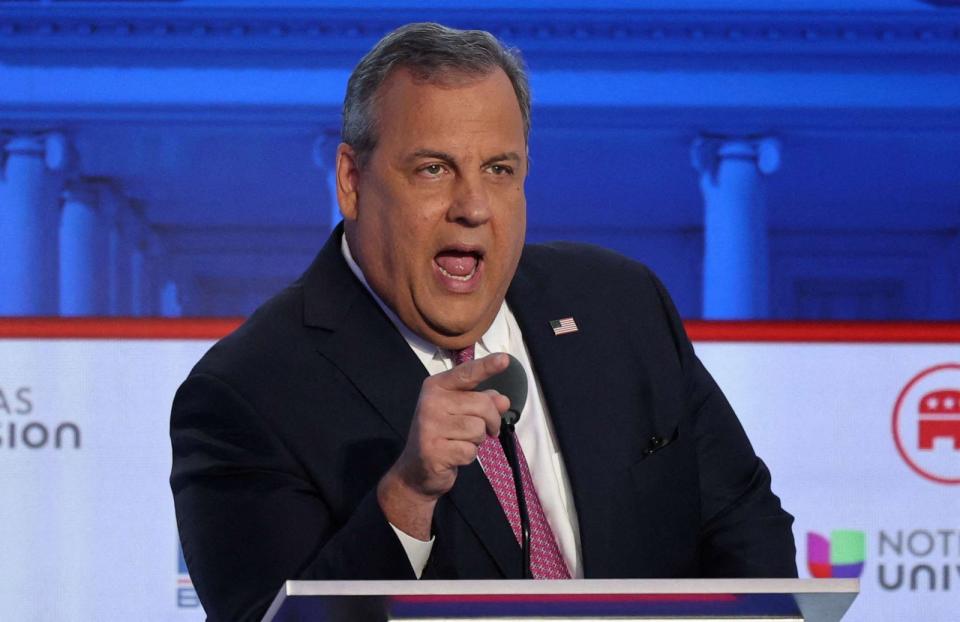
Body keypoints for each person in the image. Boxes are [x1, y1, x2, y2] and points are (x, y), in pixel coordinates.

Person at [170, 22, 796, 622]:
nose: (472, 207)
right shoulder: (245, 395)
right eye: (433, 169)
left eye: (499, 170)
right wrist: (406, 500)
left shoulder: (620, 304)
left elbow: (745, 527)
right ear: (352, 181)